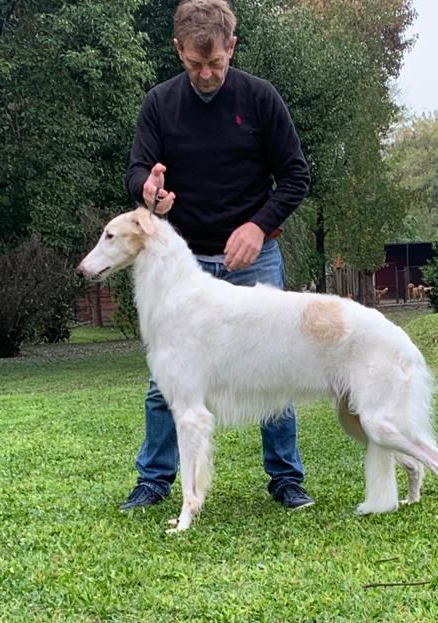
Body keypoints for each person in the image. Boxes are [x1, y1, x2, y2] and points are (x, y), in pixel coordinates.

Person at [120, 0, 314, 512]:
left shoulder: (260, 99)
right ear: (178, 50)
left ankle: (286, 478)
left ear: (231, 46)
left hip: (253, 257)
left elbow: (296, 177)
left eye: (216, 64)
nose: (205, 75)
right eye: (194, 65)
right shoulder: (159, 104)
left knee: (276, 365)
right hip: (180, 269)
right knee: (166, 378)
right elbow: (138, 169)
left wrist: (259, 225)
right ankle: (154, 481)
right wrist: (149, 190)